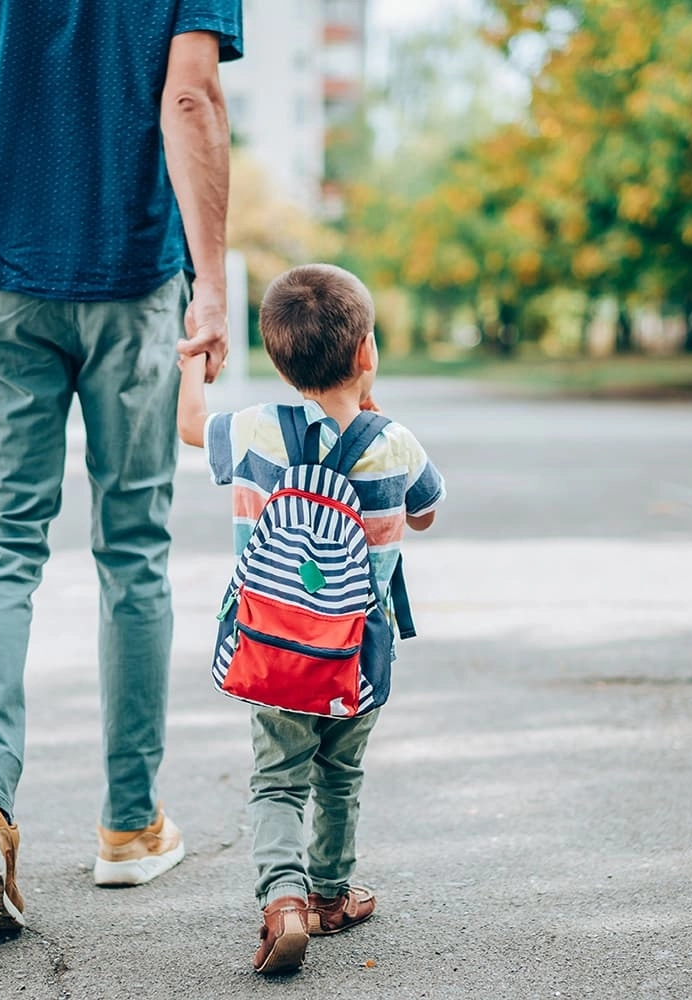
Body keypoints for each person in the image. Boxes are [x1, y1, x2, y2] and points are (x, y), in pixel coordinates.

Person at [0, 0, 244, 932]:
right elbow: (192, 100)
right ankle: (129, 826)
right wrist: (212, 285)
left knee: (2, 541)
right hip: (131, 277)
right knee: (132, 547)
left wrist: (0, 137)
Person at [176, 264, 446, 973]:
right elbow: (424, 512)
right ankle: (330, 896)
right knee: (339, 774)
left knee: (277, 780)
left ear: (277, 358)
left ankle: (282, 902)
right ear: (366, 353)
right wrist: (372, 411)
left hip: (271, 653)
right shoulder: (395, 443)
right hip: (356, 656)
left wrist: (193, 362)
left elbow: (188, 428)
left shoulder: (255, 431)